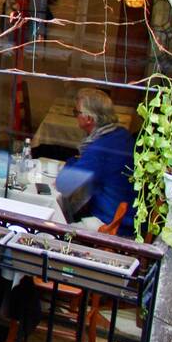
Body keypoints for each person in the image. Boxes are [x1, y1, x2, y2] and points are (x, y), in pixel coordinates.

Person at [56, 88, 136, 236]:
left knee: (50, 229)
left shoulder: (99, 148)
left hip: (111, 224)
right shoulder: (121, 135)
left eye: (77, 112)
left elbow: (64, 184)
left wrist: (72, 161)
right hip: (130, 217)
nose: (76, 116)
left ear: (89, 119)